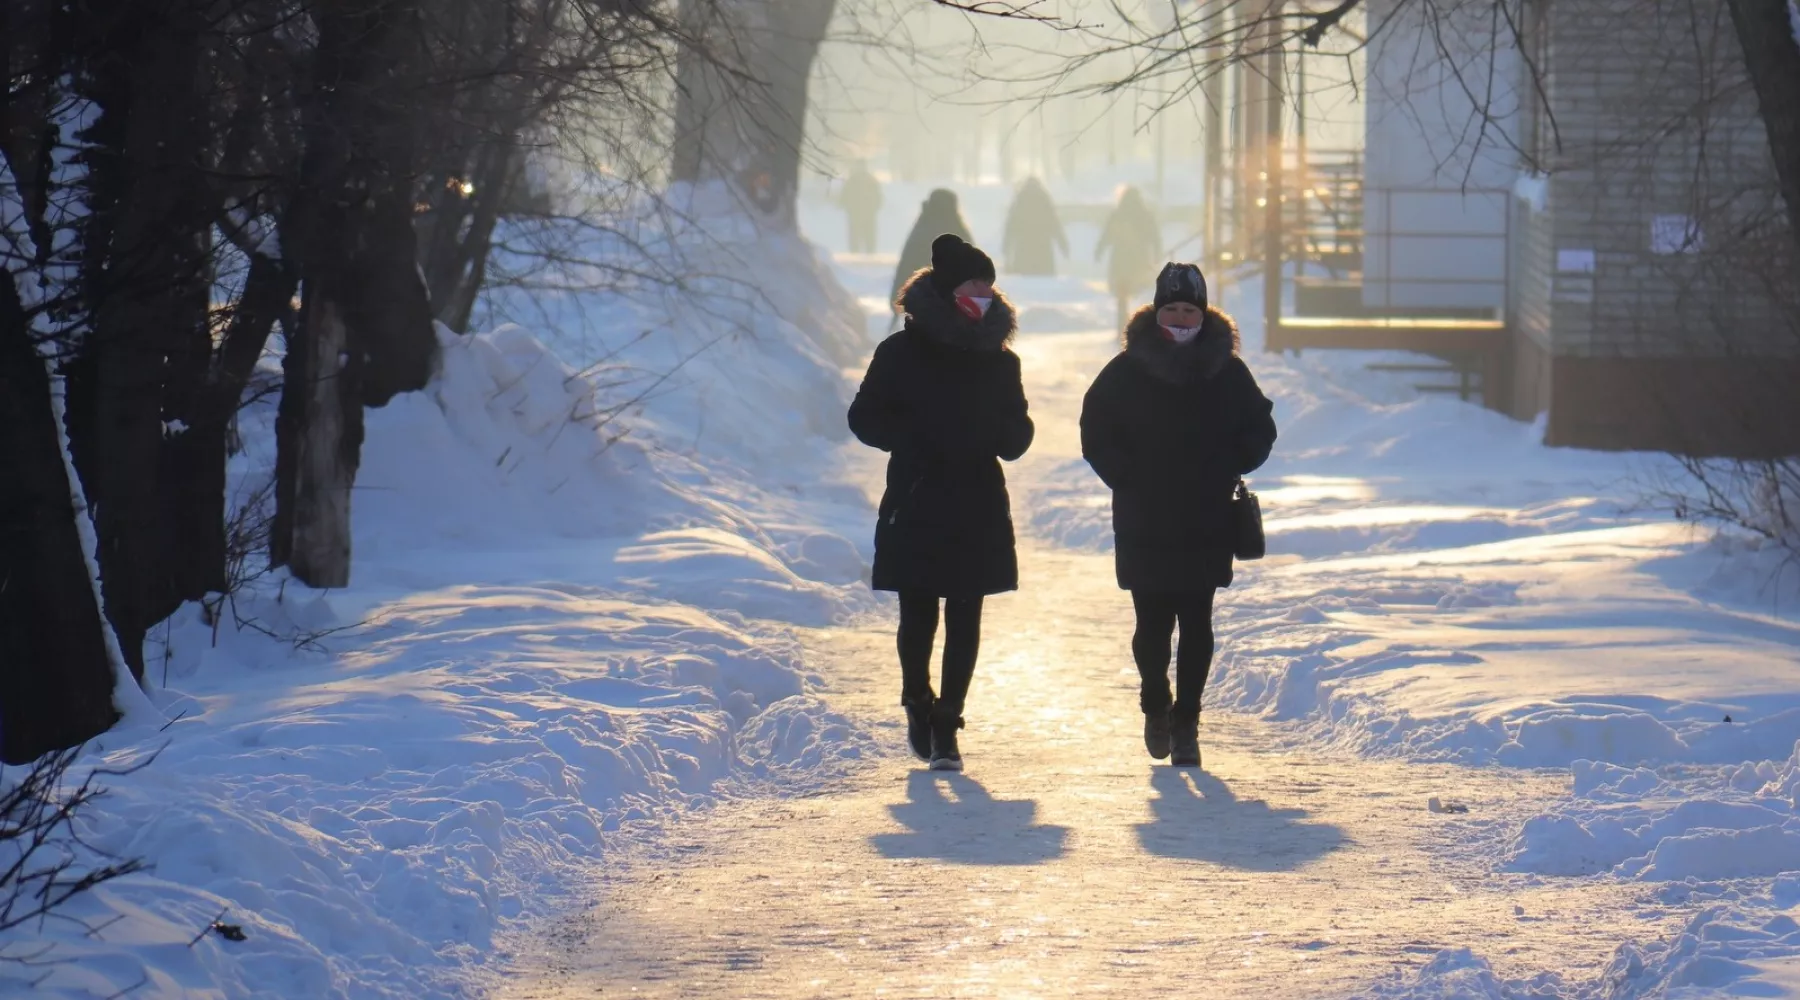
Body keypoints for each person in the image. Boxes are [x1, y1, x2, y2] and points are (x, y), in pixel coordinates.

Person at [1078, 262, 1277, 768]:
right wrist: (1125, 474)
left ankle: (1187, 719)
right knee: (1151, 620)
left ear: (1204, 313)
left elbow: (1259, 427)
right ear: (1157, 311)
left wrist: (1229, 464)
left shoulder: (1227, 370)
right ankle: (1154, 702)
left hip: (1205, 513)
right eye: (1173, 309)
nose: (1181, 318)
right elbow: (1095, 427)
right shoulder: (1127, 368)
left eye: (1190, 309)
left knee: (1197, 620)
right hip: (1144, 513)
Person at [849, 234, 1034, 772]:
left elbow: (1017, 438)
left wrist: (1009, 429)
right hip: (917, 494)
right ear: (950, 289)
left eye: (989, 285)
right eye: (975, 283)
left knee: (968, 611)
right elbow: (864, 417)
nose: (984, 293)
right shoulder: (900, 352)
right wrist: (914, 436)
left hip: (977, 497)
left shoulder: (1001, 361)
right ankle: (916, 700)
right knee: (919, 610)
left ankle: (949, 723)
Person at [891, 189, 974, 309]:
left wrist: (896, 296)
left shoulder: (922, 228)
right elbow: (974, 270)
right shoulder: (959, 231)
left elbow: (907, 262)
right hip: (955, 303)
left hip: (923, 299)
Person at [1095, 186, 1164, 327]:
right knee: (1141, 292)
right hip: (1139, 259)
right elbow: (1155, 237)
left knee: (1122, 294)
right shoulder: (1145, 215)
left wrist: (1099, 251)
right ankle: (1141, 325)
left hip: (1120, 259)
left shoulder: (1118, 214)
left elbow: (1107, 235)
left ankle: (1122, 325)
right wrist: (1157, 253)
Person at [1002, 177, 1068, 276]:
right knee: (1043, 282)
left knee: (1025, 281)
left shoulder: (1020, 199)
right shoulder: (1044, 198)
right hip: (1043, 251)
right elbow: (1054, 223)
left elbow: (1011, 225)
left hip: (1024, 250)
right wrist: (1062, 244)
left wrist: (1007, 245)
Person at [839, 161, 883, 254]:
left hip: (857, 212)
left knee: (857, 233)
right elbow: (878, 196)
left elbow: (845, 195)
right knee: (867, 233)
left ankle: (857, 251)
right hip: (867, 212)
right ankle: (868, 251)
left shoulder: (853, 180)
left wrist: (845, 205)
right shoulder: (870, 180)